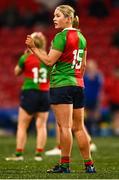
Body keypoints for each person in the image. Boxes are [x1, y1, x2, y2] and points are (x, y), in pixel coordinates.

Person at [26, 4, 96, 173]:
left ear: (68, 18)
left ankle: (65, 165)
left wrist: (34, 48)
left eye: (58, 15)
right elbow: (84, 65)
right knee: (79, 127)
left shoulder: (61, 37)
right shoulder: (82, 37)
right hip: (78, 85)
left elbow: (49, 61)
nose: (54, 18)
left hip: (62, 85)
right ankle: (89, 165)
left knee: (64, 127)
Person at [6, 32, 50, 161]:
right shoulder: (48, 57)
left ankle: (19, 154)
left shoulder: (26, 57)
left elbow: (16, 72)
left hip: (30, 92)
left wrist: (24, 57)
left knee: (22, 125)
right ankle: (38, 154)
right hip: (45, 93)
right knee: (41, 125)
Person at [84, 60, 104, 136]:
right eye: (89, 66)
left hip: (95, 98)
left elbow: (100, 88)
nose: (90, 68)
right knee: (87, 116)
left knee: (95, 115)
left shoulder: (98, 76)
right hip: (86, 98)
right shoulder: (85, 76)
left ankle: (96, 131)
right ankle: (89, 131)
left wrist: (100, 99)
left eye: (92, 66)